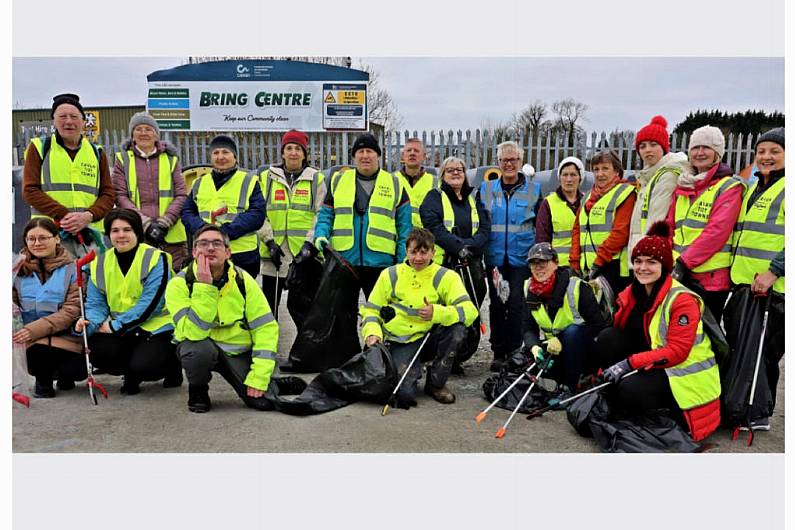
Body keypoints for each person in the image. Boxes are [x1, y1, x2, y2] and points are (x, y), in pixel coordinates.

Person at [594, 221, 721, 442]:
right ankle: (625, 396)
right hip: (656, 361)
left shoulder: (681, 300)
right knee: (607, 338)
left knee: (629, 388)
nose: (643, 268)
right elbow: (619, 333)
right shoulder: (634, 292)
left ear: (665, 266)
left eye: (651, 262)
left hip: (683, 377)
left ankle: (659, 410)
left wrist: (627, 364)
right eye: (638, 261)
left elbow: (677, 352)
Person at [165, 225, 279, 413]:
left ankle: (270, 380)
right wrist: (204, 287)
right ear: (194, 252)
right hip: (200, 347)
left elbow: (265, 328)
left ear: (228, 252)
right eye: (203, 243)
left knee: (262, 402)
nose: (210, 248)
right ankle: (198, 390)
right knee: (196, 350)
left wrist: (259, 377)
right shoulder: (178, 284)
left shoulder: (243, 280)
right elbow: (193, 333)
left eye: (217, 244)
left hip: (235, 352)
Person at [360, 228, 477, 406]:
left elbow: (470, 311)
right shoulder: (390, 275)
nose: (418, 258)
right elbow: (371, 311)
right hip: (402, 340)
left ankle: (436, 384)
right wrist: (372, 333)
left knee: (457, 330)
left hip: (430, 338)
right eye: (414, 252)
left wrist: (437, 313)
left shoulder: (447, 276)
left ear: (433, 252)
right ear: (406, 251)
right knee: (404, 395)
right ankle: (410, 371)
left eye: (424, 252)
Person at [75, 208, 181, 395]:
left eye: (127, 230)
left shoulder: (156, 258)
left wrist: (116, 326)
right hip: (124, 329)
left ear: (137, 233)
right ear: (108, 234)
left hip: (156, 328)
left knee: (146, 366)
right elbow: (95, 304)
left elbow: (152, 304)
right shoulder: (100, 263)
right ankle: (131, 371)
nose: (121, 235)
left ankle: (171, 367)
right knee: (95, 348)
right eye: (115, 231)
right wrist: (87, 324)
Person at [313, 132, 412, 321]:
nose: (365, 155)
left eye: (370, 151)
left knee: (381, 314)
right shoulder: (338, 180)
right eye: (360, 151)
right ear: (354, 156)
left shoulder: (395, 183)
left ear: (378, 155)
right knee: (341, 315)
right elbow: (326, 214)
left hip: (381, 263)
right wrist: (321, 235)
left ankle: (376, 349)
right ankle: (347, 351)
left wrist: (401, 260)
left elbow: (404, 227)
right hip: (344, 261)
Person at [726, 127, 785, 430]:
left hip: (775, 290)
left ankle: (760, 412)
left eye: (775, 151)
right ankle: (744, 405)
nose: (766, 157)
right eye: (762, 151)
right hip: (745, 285)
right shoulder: (754, 189)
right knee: (744, 348)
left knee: (766, 353)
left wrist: (774, 271)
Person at [419, 156, 490, 373]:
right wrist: (458, 247)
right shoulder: (435, 197)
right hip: (445, 265)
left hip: (471, 265)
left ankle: (459, 356)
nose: (456, 173)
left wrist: (470, 247)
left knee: (469, 310)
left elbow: (485, 228)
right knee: (444, 312)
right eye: (450, 170)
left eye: (459, 169)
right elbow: (433, 226)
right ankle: (439, 357)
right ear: (442, 175)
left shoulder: (473, 198)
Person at [22, 93, 115, 258]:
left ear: (83, 121)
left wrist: (88, 216)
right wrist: (66, 216)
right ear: (54, 121)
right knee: (56, 282)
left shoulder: (97, 152)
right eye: (62, 116)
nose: (69, 121)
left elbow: (108, 194)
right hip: (50, 234)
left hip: (90, 235)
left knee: (93, 281)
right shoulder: (39, 148)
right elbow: (30, 190)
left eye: (74, 116)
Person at [667, 125, 744, 321]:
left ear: (717, 153)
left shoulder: (728, 186)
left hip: (709, 280)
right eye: (695, 148)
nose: (700, 153)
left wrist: (683, 263)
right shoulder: (684, 185)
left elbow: (716, 232)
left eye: (707, 148)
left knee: (704, 340)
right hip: (679, 275)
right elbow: (670, 225)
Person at [479, 140, 542, 371]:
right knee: (496, 304)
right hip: (495, 258)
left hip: (521, 258)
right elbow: (481, 224)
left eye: (513, 159)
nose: (509, 164)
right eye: (504, 160)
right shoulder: (486, 190)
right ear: (498, 163)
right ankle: (498, 351)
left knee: (517, 303)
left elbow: (539, 224)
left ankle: (515, 349)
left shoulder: (534, 190)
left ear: (521, 162)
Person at [521, 242, 610, 396]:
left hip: (582, 351)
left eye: (543, 262)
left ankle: (571, 388)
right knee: (521, 358)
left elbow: (598, 326)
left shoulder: (576, 287)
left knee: (572, 332)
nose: (538, 267)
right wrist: (535, 347)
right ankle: (554, 382)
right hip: (554, 350)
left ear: (555, 263)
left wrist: (561, 339)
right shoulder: (529, 288)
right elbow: (528, 327)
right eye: (534, 263)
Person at [12, 218, 87, 398]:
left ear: (57, 239)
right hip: (28, 341)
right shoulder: (16, 270)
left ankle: (64, 375)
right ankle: (42, 379)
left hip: (65, 337)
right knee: (38, 352)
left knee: (74, 369)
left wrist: (34, 330)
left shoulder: (74, 269)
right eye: (31, 239)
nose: (37, 243)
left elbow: (71, 310)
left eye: (43, 238)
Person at [257, 129, 326, 313]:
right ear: (282, 152)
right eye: (289, 148)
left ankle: (306, 344)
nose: (293, 153)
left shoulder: (316, 179)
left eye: (298, 148)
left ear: (305, 154)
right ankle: (271, 343)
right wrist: (269, 240)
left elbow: (322, 214)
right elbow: (258, 212)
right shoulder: (267, 178)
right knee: (269, 310)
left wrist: (310, 245)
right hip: (275, 256)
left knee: (306, 313)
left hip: (304, 258)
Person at [181, 134, 266, 278]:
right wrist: (202, 230)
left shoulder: (249, 181)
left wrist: (225, 233)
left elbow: (257, 214)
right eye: (216, 153)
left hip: (242, 255)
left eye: (225, 152)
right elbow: (187, 211)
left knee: (240, 297)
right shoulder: (200, 182)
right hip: (207, 254)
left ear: (235, 157)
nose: (220, 157)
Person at [113, 112, 189, 271]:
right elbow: (120, 196)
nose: (143, 133)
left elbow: (181, 194)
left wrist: (165, 222)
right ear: (132, 136)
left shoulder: (170, 160)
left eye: (148, 129)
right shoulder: (123, 160)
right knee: (142, 277)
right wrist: (145, 224)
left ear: (156, 135)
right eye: (138, 129)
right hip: (139, 232)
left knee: (174, 279)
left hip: (171, 233)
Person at [570, 150, 636, 296]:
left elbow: (620, 233)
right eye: (596, 169)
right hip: (587, 267)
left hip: (612, 267)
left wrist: (599, 260)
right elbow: (577, 230)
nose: (600, 174)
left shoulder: (625, 193)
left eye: (605, 168)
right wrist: (575, 260)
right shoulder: (587, 196)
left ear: (617, 171)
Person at [628, 115, 689, 258]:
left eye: (653, 144)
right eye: (642, 146)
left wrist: (644, 259)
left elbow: (656, 220)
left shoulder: (667, 175)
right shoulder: (650, 176)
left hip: (650, 255)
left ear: (664, 147)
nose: (647, 150)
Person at [534, 156, 585, 266]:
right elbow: (542, 239)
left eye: (573, 175)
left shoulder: (587, 202)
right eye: (565, 175)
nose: (569, 179)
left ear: (580, 178)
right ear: (559, 178)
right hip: (559, 267)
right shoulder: (548, 203)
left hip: (584, 264)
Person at [393, 137, 438, 227]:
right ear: (403, 156)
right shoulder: (391, 179)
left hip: (425, 238)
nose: (412, 153)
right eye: (409, 150)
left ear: (424, 156)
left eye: (416, 151)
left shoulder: (436, 183)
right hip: (399, 238)